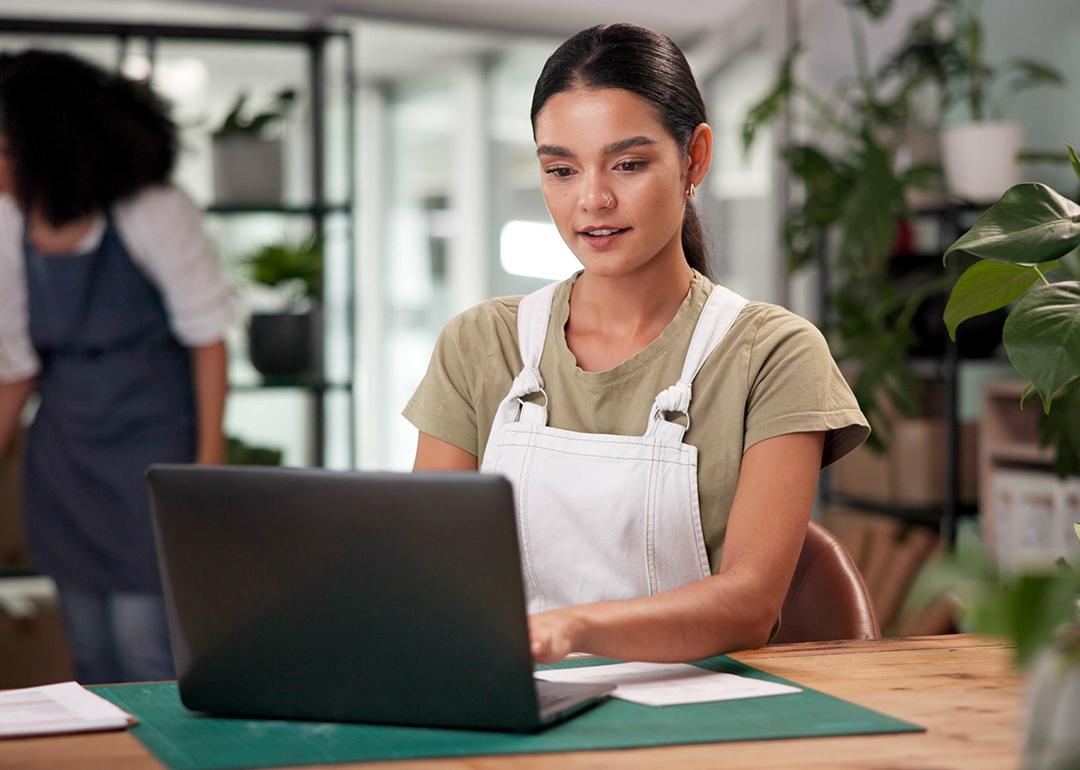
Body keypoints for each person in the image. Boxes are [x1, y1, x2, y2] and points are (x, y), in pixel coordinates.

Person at [404, 24, 870, 665]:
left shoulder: (773, 354)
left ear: (695, 158)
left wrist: (569, 631)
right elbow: (428, 568)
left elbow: (750, 605)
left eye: (627, 164)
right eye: (561, 170)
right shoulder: (481, 344)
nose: (592, 199)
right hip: (514, 701)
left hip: (697, 714)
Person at [0, 50, 231, 683]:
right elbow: (16, 365)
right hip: (66, 457)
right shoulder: (9, 219)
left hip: (151, 449)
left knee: (145, 648)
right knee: (89, 653)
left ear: (45, 145)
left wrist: (206, 466)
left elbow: (207, 339)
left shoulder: (152, 208)